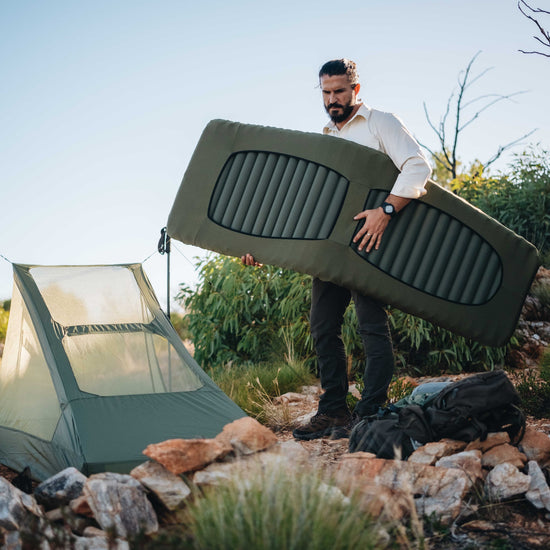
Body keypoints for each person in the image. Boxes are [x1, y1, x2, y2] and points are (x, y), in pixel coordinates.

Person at [243, 58, 431, 440]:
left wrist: (386, 211)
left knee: (370, 327)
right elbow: (308, 202)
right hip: (331, 251)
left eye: (340, 91)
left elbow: (417, 166)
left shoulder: (381, 122)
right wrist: (260, 248)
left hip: (369, 244)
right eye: (326, 93)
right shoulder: (326, 135)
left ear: (355, 90)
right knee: (323, 327)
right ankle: (333, 413)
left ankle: (371, 413)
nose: (333, 99)